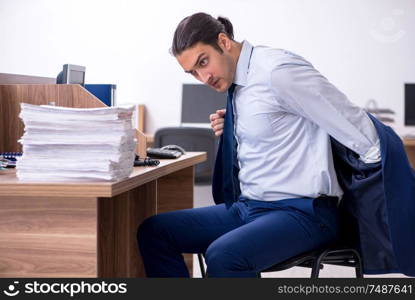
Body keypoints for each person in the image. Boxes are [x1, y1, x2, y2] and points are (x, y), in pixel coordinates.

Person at [137, 12, 414, 278]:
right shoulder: (238, 86)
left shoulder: (277, 71)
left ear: (223, 42)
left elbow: (361, 132)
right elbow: (274, 130)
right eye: (193, 73)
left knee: (224, 255)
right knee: (155, 232)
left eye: (203, 62)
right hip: (251, 207)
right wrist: (234, 128)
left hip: (303, 212)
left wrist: (371, 196)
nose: (204, 78)